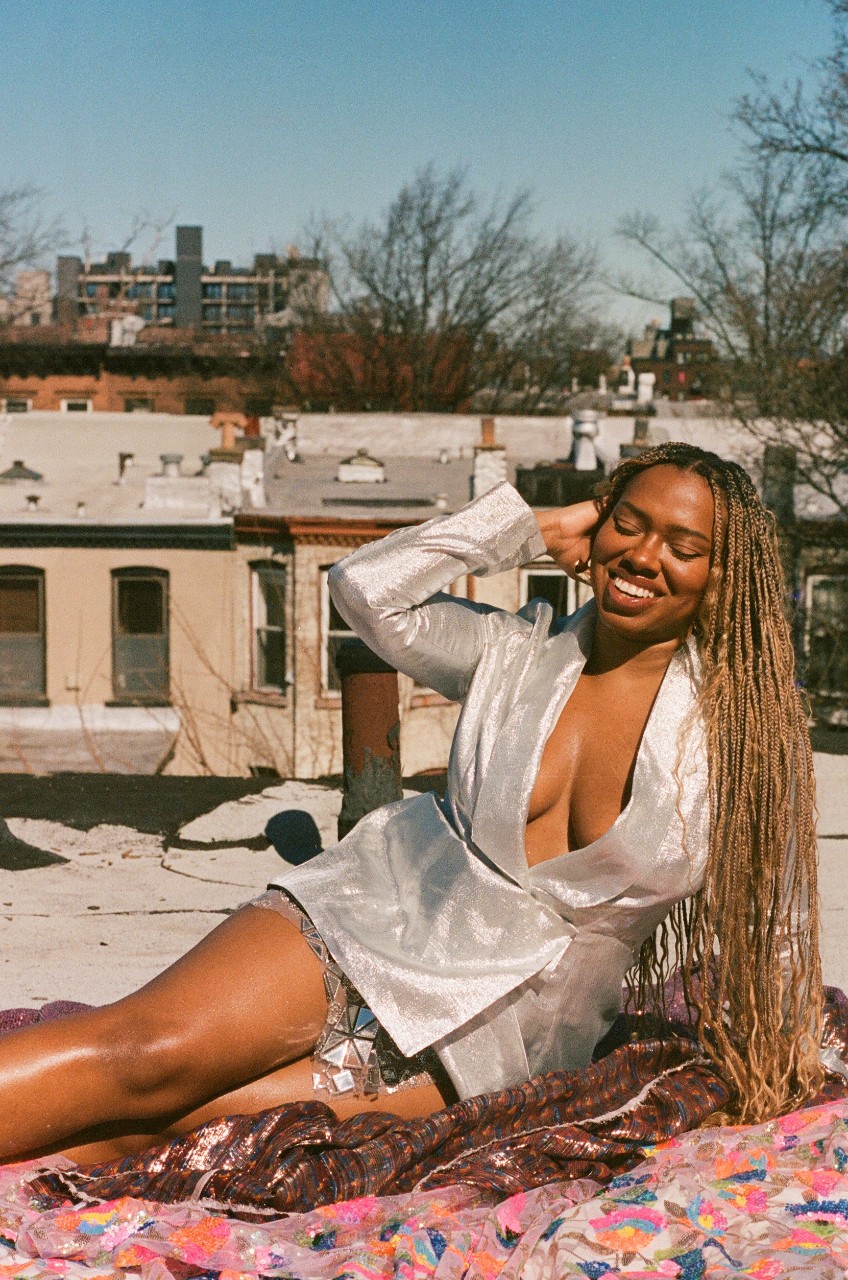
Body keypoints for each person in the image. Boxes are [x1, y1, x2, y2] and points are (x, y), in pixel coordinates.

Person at [0, 444, 826, 1165]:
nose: (645, 555)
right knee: (143, 1055)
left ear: (725, 579)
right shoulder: (512, 647)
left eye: (684, 546)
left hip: (492, 1034)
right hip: (372, 909)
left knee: (188, 1127)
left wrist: (778, 1070)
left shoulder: (748, 737)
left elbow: (780, 925)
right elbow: (363, 589)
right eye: (630, 524)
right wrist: (527, 526)